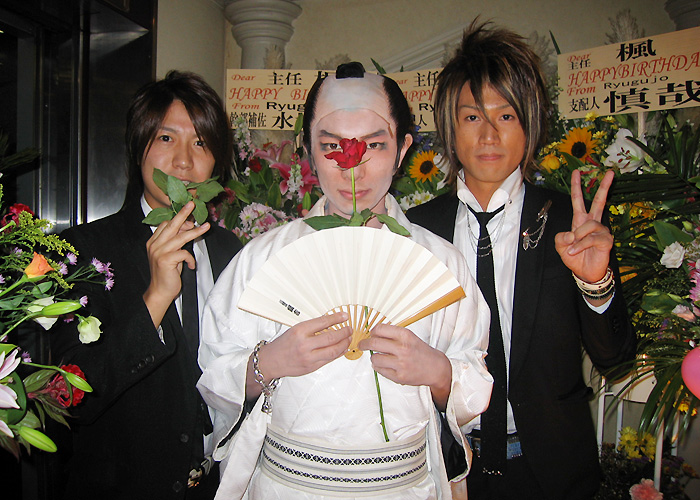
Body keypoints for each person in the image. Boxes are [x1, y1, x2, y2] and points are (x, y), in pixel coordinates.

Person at [197, 62, 493, 500]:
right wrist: (269, 362)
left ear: (403, 148)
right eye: (331, 145)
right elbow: (214, 376)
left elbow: (476, 380)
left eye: (374, 144)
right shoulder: (261, 259)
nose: (353, 169)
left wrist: (437, 371)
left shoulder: (442, 262)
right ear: (307, 149)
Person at [406, 21, 637, 500]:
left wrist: (596, 285)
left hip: (549, 473)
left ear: (529, 125)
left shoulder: (569, 224)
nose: (489, 134)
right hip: (445, 471)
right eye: (472, 117)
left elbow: (615, 360)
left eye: (506, 115)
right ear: (450, 129)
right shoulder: (416, 231)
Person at [51, 70, 243, 499]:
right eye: (166, 138)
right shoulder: (83, 251)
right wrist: (155, 298)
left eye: (201, 142)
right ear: (138, 146)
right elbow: (71, 398)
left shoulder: (229, 250)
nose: (183, 161)